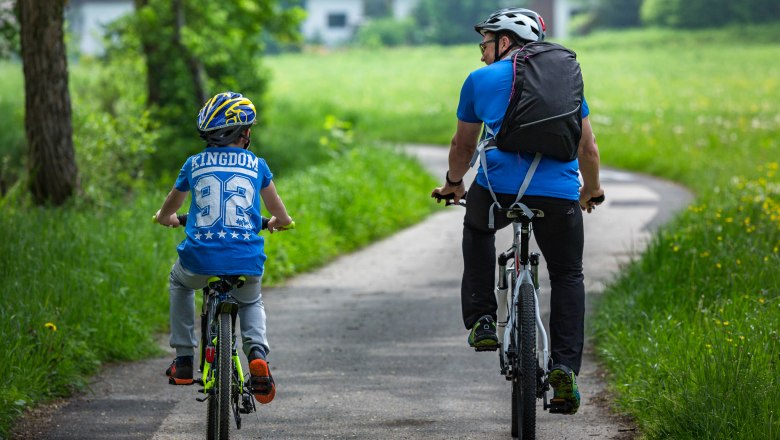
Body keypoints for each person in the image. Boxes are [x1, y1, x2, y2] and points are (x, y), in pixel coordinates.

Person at [431, 8, 604, 415]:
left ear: (504, 42)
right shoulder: (566, 82)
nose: (481, 54)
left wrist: (454, 183)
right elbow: (588, 148)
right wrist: (591, 190)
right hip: (560, 196)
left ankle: (483, 320)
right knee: (568, 274)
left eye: (485, 43)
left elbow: (462, 148)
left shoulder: (480, 80)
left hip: (498, 192)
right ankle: (564, 369)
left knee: (477, 230)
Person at [155, 91, 293, 404]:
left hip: (198, 260)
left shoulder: (194, 163)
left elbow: (169, 208)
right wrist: (278, 222)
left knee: (179, 283)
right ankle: (256, 351)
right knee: (250, 300)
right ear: (244, 133)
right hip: (245, 259)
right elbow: (279, 213)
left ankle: (184, 358)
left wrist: (166, 218)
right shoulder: (257, 165)